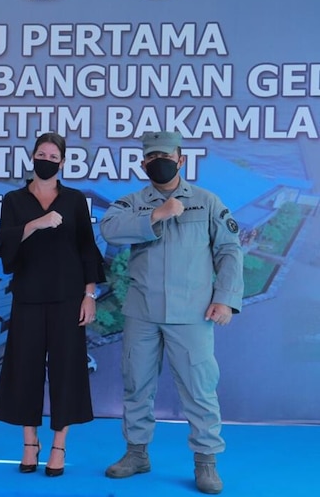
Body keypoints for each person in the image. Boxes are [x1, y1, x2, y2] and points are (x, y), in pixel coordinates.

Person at [100, 131, 244, 495]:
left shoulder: (207, 202)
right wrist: (157, 214)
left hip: (192, 313)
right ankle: (136, 454)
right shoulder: (132, 202)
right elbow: (110, 231)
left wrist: (225, 298)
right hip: (142, 312)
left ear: (180, 160)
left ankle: (206, 461)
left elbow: (229, 251)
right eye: (151, 158)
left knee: (199, 389)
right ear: (143, 163)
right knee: (136, 385)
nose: (158, 162)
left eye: (166, 156)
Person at [0, 132, 105, 477]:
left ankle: (59, 444)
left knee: (67, 370)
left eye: (53, 155)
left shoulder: (73, 201)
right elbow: (4, 246)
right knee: (24, 369)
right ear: (33, 157)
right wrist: (37, 223)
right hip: (27, 296)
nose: (46, 159)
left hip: (68, 297)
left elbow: (87, 249)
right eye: (41, 153)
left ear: (62, 162)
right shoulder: (14, 199)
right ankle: (30, 443)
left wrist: (89, 295)